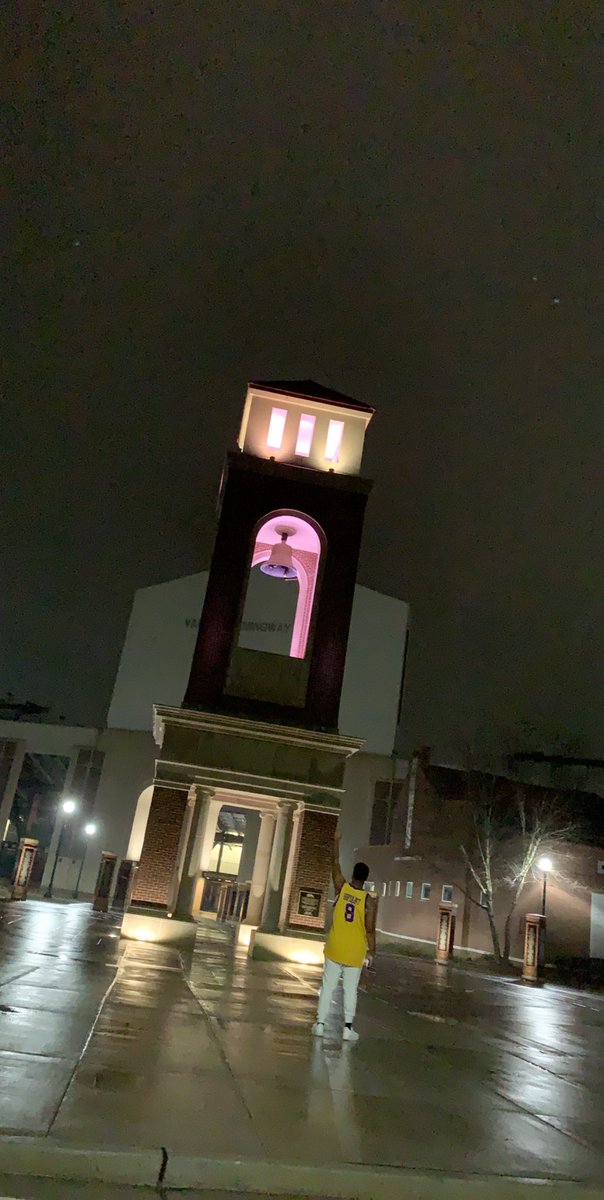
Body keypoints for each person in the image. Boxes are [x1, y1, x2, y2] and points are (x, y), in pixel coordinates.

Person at [312, 828, 377, 1042]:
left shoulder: (342, 887)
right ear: (366, 879)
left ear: (353, 875)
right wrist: (372, 952)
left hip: (335, 948)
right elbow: (370, 929)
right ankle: (348, 1028)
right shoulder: (369, 900)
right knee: (351, 991)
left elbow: (334, 863)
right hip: (355, 952)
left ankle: (320, 1023)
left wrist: (336, 841)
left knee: (328, 987)